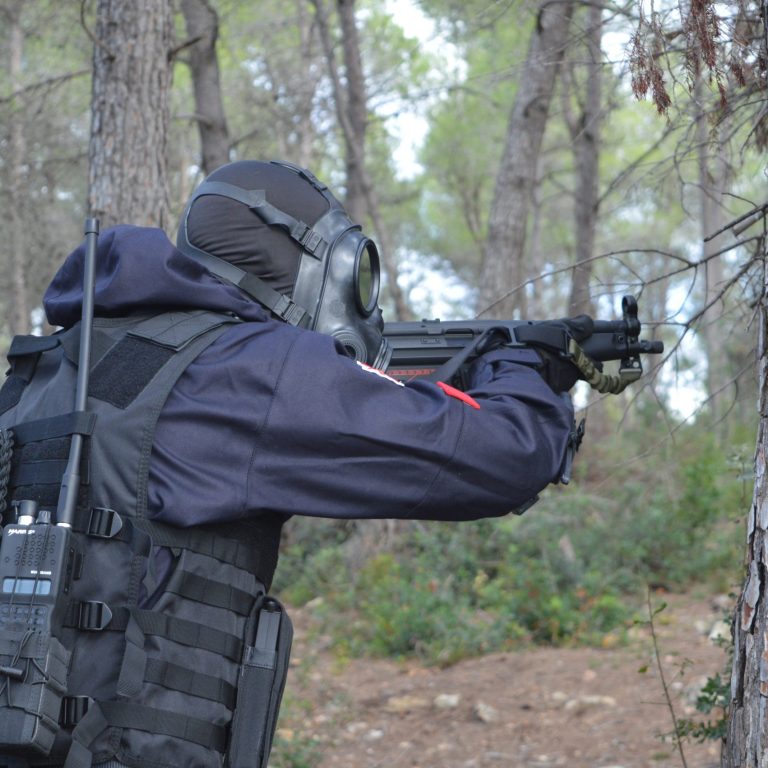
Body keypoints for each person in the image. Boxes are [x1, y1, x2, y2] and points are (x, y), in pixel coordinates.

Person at [0, 160, 579, 768]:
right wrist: (524, 366)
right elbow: (503, 455)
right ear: (303, 264)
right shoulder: (249, 368)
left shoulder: (41, 373)